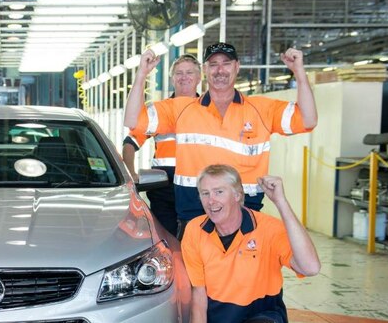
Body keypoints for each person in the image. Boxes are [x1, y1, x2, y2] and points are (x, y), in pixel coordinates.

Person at [124, 42, 318, 240]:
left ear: (237, 67)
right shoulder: (181, 108)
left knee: (241, 270)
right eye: (213, 64)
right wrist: (141, 75)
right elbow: (133, 121)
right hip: (195, 215)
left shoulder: (261, 109)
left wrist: (299, 73)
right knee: (192, 271)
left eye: (226, 63)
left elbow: (307, 120)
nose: (220, 70)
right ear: (206, 70)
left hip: (244, 214)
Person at [181, 164, 320, 323]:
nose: (211, 201)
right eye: (205, 193)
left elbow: (310, 267)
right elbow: (198, 297)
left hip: (259, 316)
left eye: (219, 192)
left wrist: (281, 203)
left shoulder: (268, 228)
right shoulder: (194, 231)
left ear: (238, 195)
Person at [123, 54, 201, 235]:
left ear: (199, 77)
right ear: (172, 78)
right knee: (166, 240)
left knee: (196, 241)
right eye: (179, 73)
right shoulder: (159, 110)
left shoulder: (210, 109)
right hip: (164, 186)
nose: (184, 77)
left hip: (198, 187)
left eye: (189, 72)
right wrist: (130, 173)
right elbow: (130, 142)